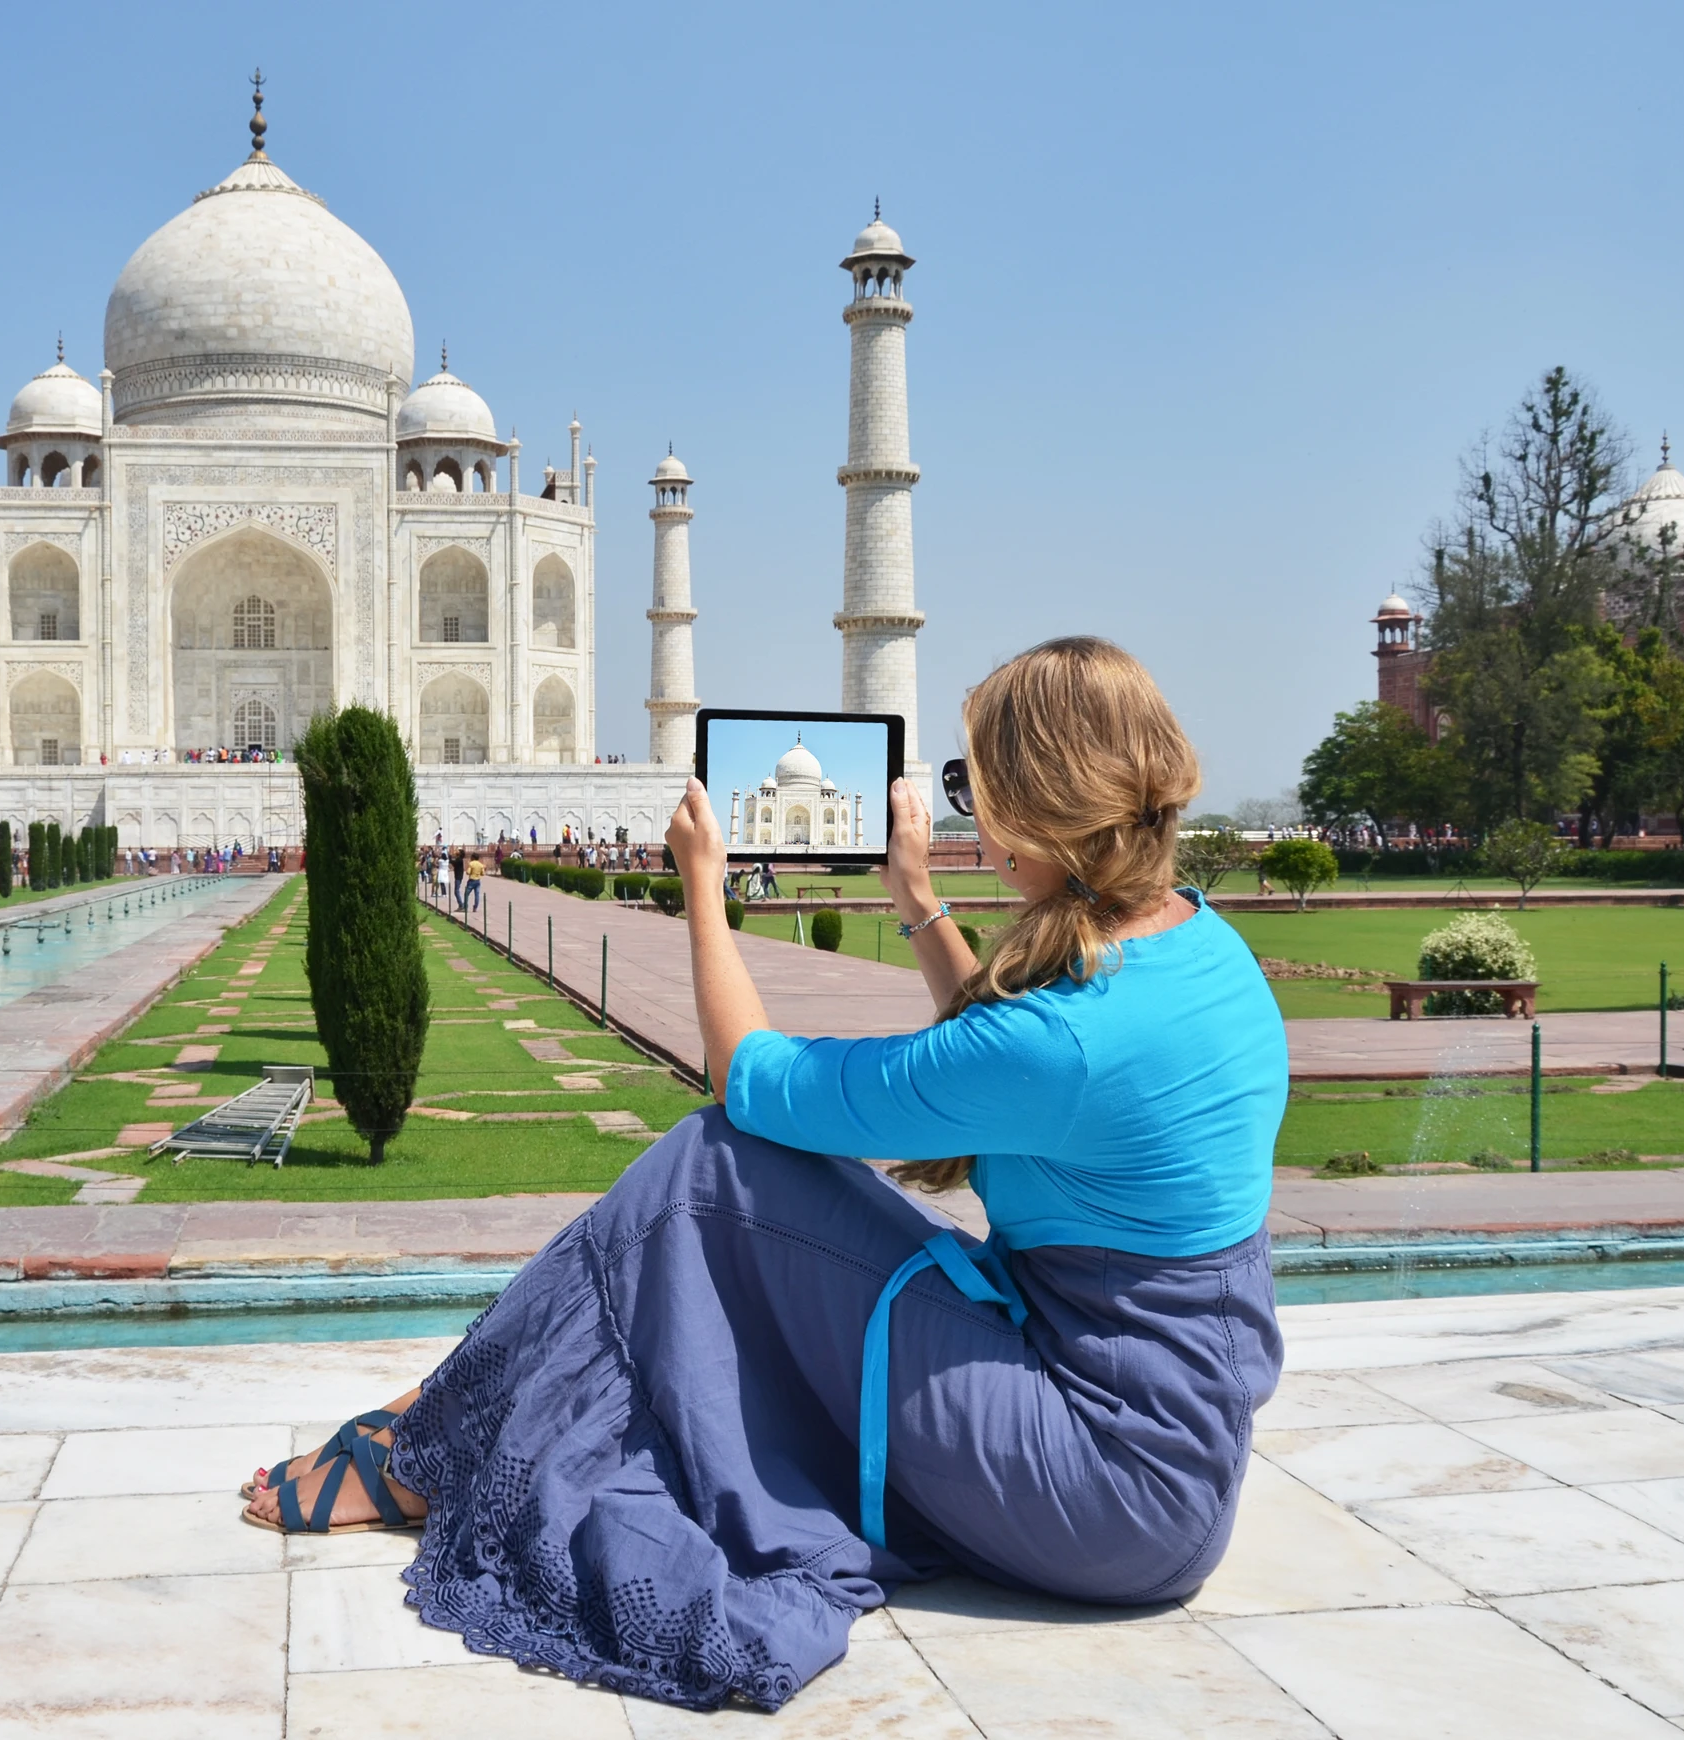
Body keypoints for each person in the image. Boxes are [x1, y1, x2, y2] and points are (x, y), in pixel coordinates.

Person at [233, 637, 1285, 1713]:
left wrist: (700, 886)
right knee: (735, 1185)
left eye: (976, 784)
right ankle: (447, 1417)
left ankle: (434, 1436)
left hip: (1100, 1486)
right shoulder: (1200, 950)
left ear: (1040, 801)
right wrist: (917, 899)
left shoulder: (1055, 1044)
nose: (968, 809)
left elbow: (750, 1079)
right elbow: (1020, 1054)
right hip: (1174, 1458)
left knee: (711, 1164)